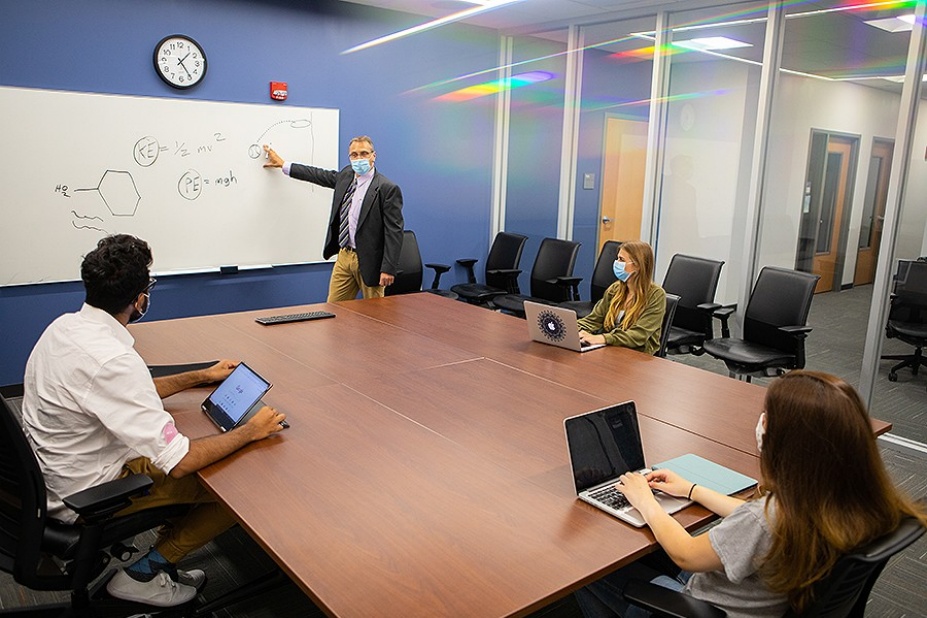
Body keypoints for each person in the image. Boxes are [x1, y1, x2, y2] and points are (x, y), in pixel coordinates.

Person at [21, 234, 288, 608]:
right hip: (88, 497)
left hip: (51, 479)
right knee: (242, 486)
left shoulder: (63, 329)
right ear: (139, 298)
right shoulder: (114, 360)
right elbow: (182, 463)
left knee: (206, 468)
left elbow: (124, 390)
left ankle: (163, 557)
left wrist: (199, 376)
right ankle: (145, 572)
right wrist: (251, 431)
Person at [575, 370, 927, 618]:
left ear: (790, 443)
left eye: (767, 416)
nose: (760, 423)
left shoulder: (767, 518)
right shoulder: (847, 497)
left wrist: (645, 501)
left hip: (704, 609)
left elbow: (686, 555)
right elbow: (761, 520)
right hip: (759, 599)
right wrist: (692, 490)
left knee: (587, 565)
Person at [262, 136, 404, 302]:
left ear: (374, 155)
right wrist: (284, 165)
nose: (359, 158)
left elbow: (394, 231)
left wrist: (388, 268)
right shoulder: (346, 176)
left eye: (364, 153)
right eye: (354, 155)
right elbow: (318, 175)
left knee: (375, 313)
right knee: (334, 307)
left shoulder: (386, 188)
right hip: (344, 256)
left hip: (370, 260)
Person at [577, 240, 665, 354]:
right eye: (618, 258)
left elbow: (639, 335)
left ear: (638, 265)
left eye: (622, 260)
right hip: (610, 348)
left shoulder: (656, 295)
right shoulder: (615, 289)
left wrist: (603, 338)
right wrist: (570, 328)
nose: (617, 263)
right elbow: (593, 320)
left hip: (637, 355)